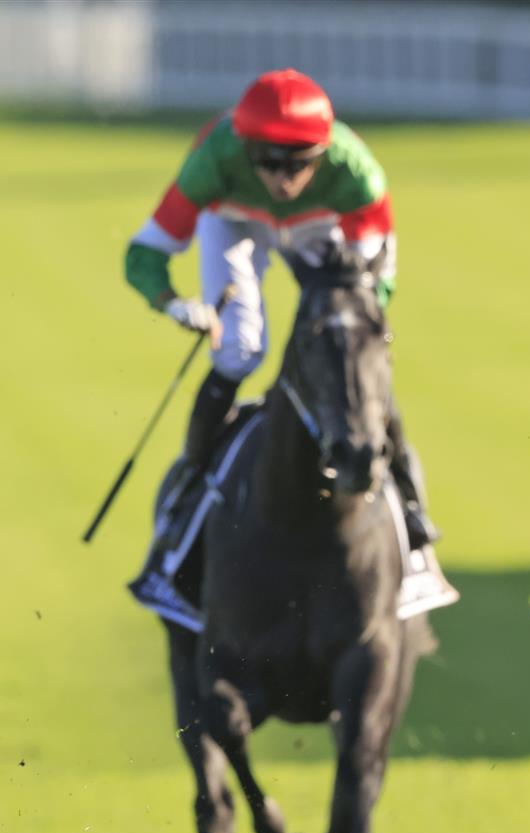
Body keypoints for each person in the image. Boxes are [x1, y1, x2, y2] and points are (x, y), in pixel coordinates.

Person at [123, 68, 440, 556]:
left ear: (325, 152)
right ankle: (187, 489)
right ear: (244, 147)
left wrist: (349, 330)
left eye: (299, 163)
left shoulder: (357, 174)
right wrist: (173, 304)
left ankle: (410, 501)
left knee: (348, 347)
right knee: (240, 351)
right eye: (266, 162)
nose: (282, 179)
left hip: (322, 227)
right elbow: (144, 252)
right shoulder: (214, 158)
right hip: (235, 222)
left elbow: (379, 288)